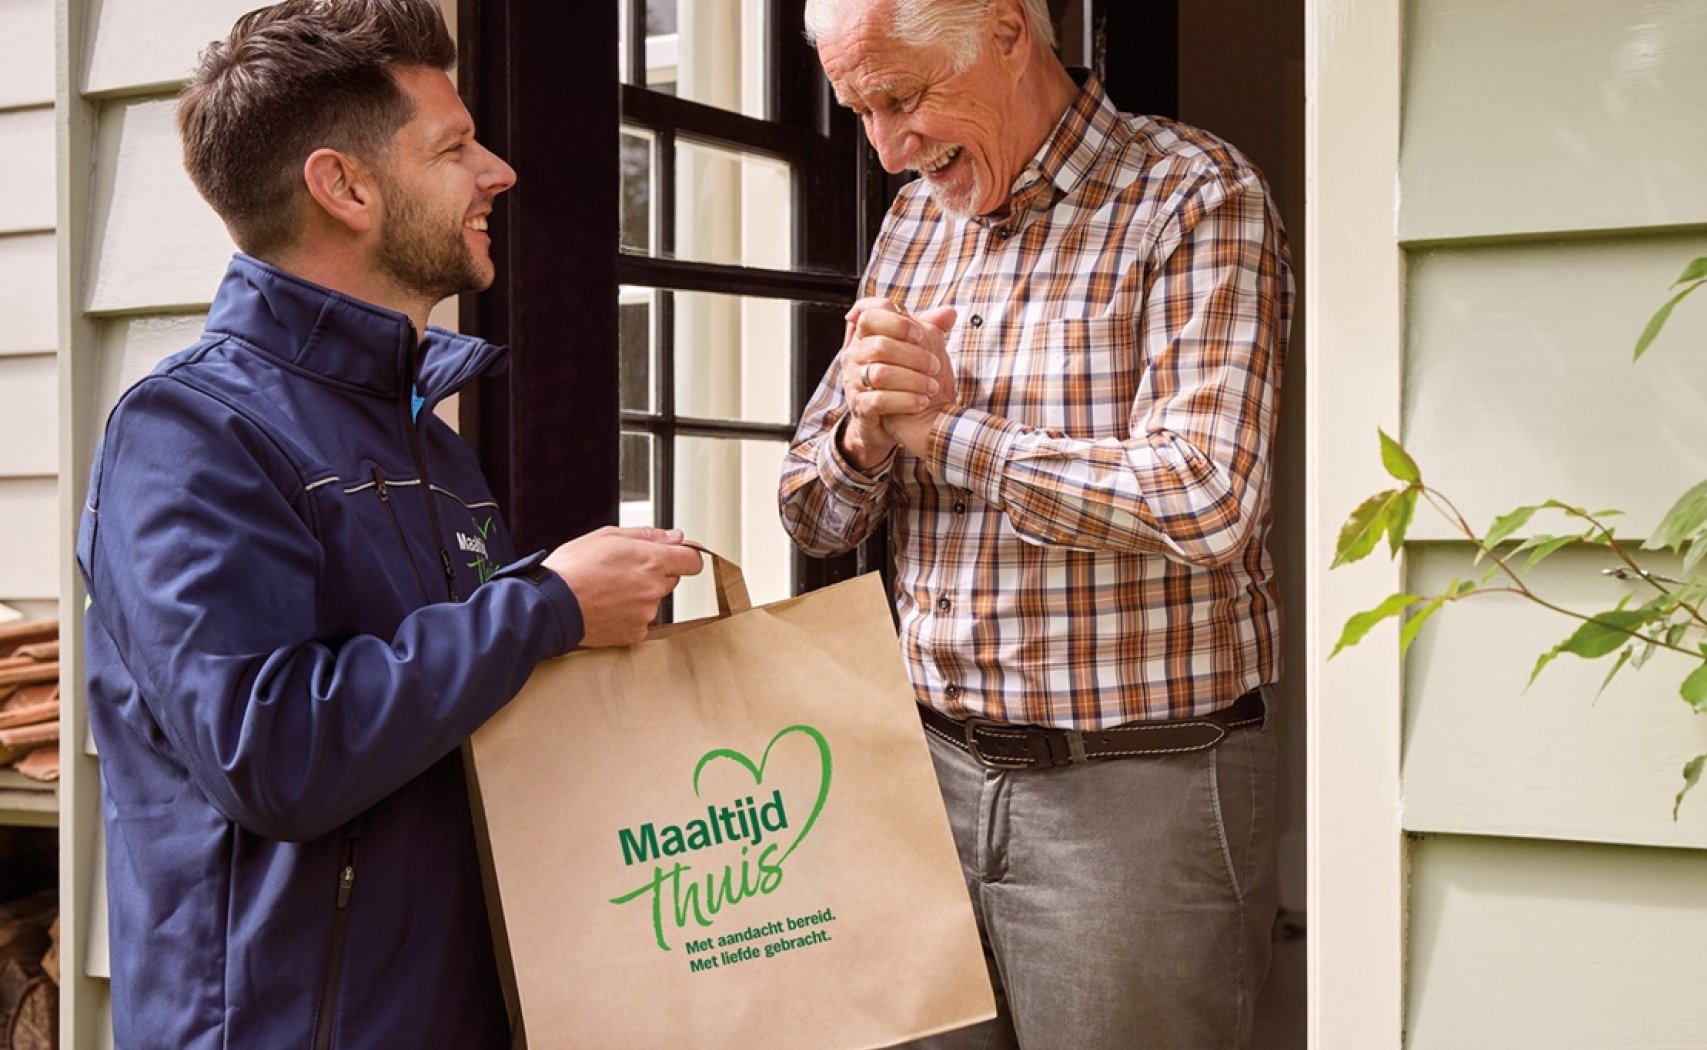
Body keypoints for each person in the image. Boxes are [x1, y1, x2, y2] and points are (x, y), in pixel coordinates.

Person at [74, 2, 704, 1046]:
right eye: (454, 147)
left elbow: (443, 702)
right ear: (346, 186)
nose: (496, 171)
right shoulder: (189, 431)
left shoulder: (426, 439)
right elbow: (270, 751)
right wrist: (545, 607)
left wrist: (588, 623)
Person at [780, 0, 1293, 1045]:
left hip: (1134, 795)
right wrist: (868, 441)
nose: (885, 149)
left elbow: (1204, 496)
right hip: (916, 780)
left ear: (1009, 33)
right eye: (858, 111)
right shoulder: (916, 219)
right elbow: (812, 513)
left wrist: (945, 434)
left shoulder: (1193, 193)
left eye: (902, 98)